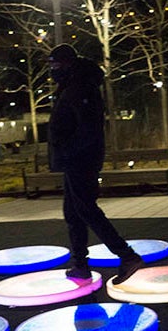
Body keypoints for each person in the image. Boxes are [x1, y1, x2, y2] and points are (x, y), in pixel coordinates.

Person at [47, 44, 144, 284]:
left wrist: (68, 150)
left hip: (80, 159)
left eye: (55, 65)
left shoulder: (81, 88)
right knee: (73, 212)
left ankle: (127, 256)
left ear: (68, 64)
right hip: (75, 158)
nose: (52, 70)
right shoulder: (73, 86)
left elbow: (88, 130)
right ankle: (80, 264)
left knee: (86, 209)